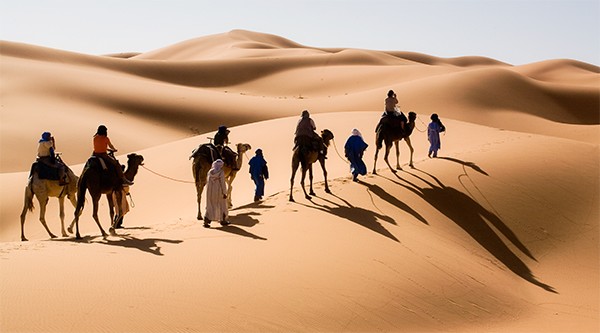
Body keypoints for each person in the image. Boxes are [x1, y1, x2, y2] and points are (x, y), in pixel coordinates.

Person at [203, 159, 230, 227]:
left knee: (210, 205)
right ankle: (223, 220)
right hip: (219, 192)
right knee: (222, 205)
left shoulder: (210, 172)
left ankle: (207, 220)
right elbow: (223, 183)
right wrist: (224, 193)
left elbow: (208, 182)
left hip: (210, 192)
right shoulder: (221, 172)